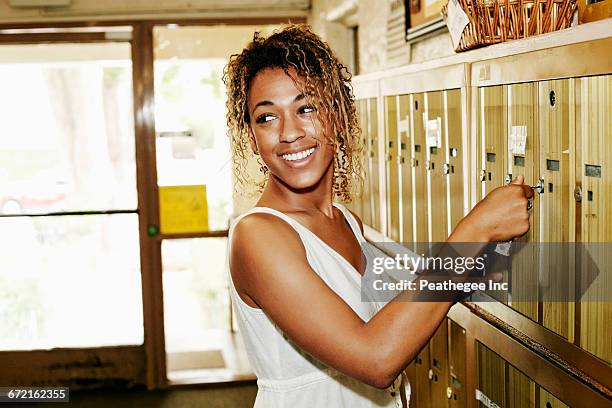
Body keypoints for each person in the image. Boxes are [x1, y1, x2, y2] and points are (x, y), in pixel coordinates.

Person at [223, 24, 533, 407]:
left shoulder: (345, 221)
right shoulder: (258, 236)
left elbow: (403, 308)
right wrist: (474, 229)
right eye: (266, 118)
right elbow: (375, 358)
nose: (289, 133)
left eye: (307, 108)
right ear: (252, 136)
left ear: (337, 113)